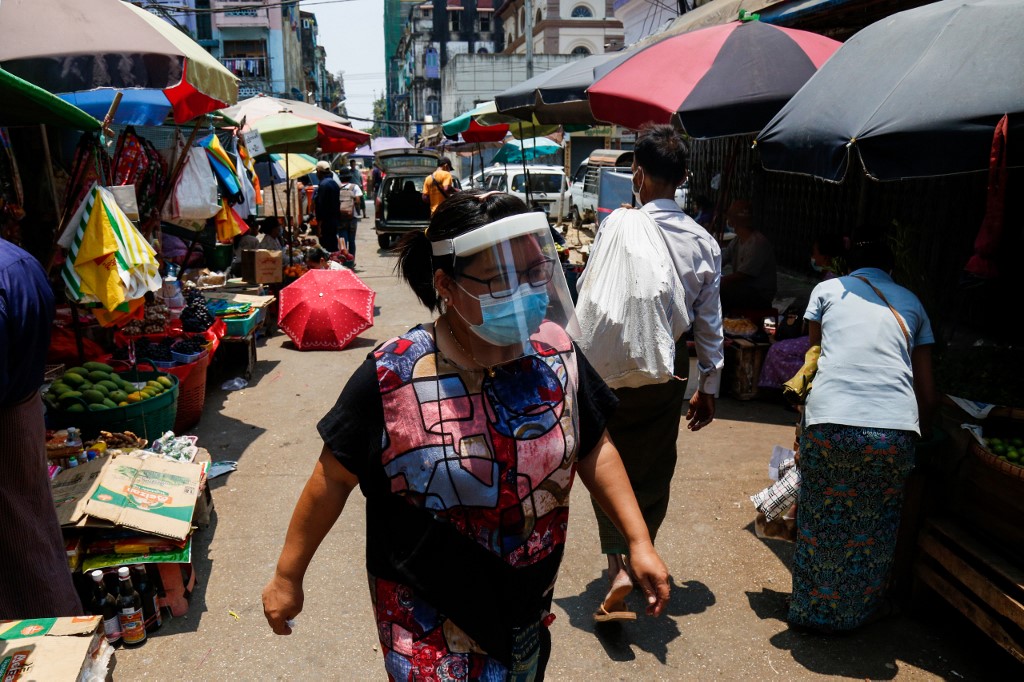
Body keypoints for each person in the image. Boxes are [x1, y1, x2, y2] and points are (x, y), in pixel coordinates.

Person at [262, 190, 670, 680]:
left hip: (525, 601)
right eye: (501, 279)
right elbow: (331, 478)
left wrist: (638, 540)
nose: (524, 291)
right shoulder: (395, 373)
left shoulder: (556, 353)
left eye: (535, 273)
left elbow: (593, 447)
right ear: (447, 286)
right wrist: (288, 575)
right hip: (427, 615)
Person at [580, 124, 724, 621]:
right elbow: (709, 327)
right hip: (667, 372)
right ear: (682, 178)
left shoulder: (615, 226)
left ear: (636, 173)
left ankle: (619, 564)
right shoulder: (703, 242)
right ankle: (642, 555)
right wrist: (710, 386)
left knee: (607, 461)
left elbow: (592, 296)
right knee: (653, 467)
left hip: (607, 372)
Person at [788, 239, 937, 633]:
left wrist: (803, 421)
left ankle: (810, 613)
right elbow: (926, 389)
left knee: (819, 517)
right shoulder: (912, 301)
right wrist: (922, 432)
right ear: (890, 269)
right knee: (876, 524)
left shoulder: (827, 290)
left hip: (830, 422)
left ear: (849, 266)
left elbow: (814, 358)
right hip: (895, 429)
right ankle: (860, 613)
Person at [1, 237, 83, 619]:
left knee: (21, 540)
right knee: (33, 529)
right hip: (23, 408)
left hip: (9, 418)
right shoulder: (18, 261)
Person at [758, 234, 846, 392]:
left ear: (825, 257)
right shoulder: (834, 278)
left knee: (777, 351)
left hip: (825, 339)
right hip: (826, 337)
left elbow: (815, 330)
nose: (813, 258)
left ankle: (799, 388)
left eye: (815, 253)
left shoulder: (830, 283)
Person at [720, 200, 777, 312]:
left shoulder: (758, 243)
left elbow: (743, 275)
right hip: (744, 289)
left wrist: (719, 281)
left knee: (720, 290)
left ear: (733, 221)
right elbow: (721, 259)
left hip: (759, 295)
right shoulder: (737, 241)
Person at [313, 160, 341, 253]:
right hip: (334, 221)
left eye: (317, 172)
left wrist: (319, 226)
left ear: (319, 172)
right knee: (332, 246)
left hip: (326, 224)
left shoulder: (323, 185)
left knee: (326, 249)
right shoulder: (334, 183)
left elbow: (322, 207)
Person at [337, 173, 361, 266]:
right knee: (352, 241)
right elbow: (358, 200)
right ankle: (351, 261)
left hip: (341, 217)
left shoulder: (337, 187)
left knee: (343, 241)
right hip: (352, 218)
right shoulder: (354, 187)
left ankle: (343, 261)